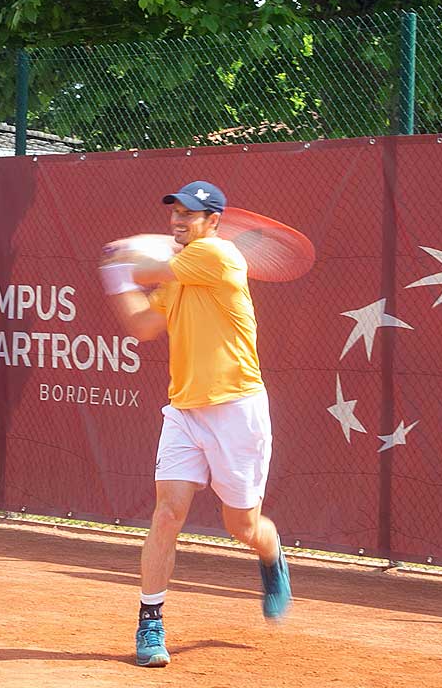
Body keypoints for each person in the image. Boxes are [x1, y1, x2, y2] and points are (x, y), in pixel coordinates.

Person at [99, 180, 291, 668]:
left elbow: (145, 265)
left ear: (214, 222)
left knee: (241, 525)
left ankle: (270, 551)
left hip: (237, 410)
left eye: (189, 214)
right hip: (184, 410)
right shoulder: (180, 273)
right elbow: (144, 326)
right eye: (175, 213)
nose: (178, 220)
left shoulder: (218, 256)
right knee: (168, 512)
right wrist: (118, 278)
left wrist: (124, 256)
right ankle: (150, 622)